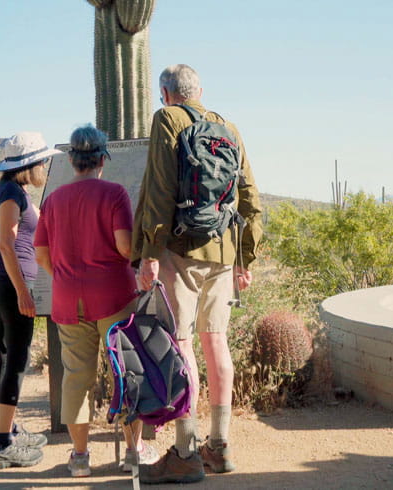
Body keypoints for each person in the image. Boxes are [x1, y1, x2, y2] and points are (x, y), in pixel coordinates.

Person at [131, 64, 264, 484]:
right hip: (224, 251)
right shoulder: (228, 126)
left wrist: (149, 252)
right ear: (200, 91)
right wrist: (245, 257)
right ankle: (219, 447)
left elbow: (159, 189)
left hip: (180, 250)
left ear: (166, 93)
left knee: (182, 343)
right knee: (216, 343)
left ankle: (186, 452)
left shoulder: (167, 119)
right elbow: (249, 198)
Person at [34, 124, 159, 478]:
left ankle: (79, 457)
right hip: (114, 297)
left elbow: (41, 253)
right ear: (103, 158)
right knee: (127, 372)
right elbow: (123, 246)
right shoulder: (115, 194)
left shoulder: (53, 200)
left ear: (73, 160)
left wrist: (64, 274)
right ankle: (133, 453)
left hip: (68, 301)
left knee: (76, 377)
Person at [0, 132, 61, 470]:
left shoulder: (14, 191)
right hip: (11, 285)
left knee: (7, 354)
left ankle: (11, 428)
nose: (44, 165)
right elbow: (6, 244)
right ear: (28, 165)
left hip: (8, 284)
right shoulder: (10, 193)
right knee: (16, 358)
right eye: (41, 161)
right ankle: (3, 443)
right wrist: (23, 292)